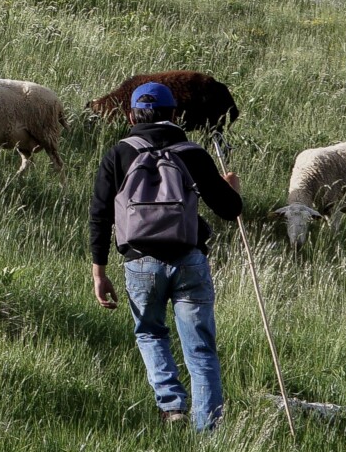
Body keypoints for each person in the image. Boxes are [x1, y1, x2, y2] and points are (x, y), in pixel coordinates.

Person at [89, 81, 243, 431]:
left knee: (149, 332)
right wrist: (231, 189)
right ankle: (209, 431)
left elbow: (100, 214)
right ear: (175, 115)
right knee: (201, 348)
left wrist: (100, 271)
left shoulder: (119, 153)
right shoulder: (193, 153)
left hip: (139, 261)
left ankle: (172, 405)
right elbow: (229, 208)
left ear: (130, 115)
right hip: (189, 260)